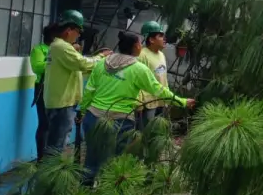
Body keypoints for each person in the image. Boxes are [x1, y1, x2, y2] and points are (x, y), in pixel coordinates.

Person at [79, 31, 193, 180]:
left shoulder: (102, 63)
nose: (141, 45)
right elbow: (159, 90)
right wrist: (182, 101)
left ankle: (85, 192)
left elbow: (89, 91)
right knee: (116, 161)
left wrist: (82, 112)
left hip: (93, 117)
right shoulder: (138, 69)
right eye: (140, 43)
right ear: (135, 47)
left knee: (92, 159)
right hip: (119, 121)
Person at [43, 10, 103, 154]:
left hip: (63, 102)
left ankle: (51, 173)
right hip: (61, 104)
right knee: (56, 148)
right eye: (78, 31)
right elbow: (82, 63)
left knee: (58, 144)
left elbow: (78, 68)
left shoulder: (60, 47)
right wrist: (101, 58)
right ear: (69, 30)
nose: (79, 35)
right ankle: (49, 175)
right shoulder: (61, 47)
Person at [28, 22, 60, 162]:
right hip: (43, 88)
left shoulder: (62, 50)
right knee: (45, 123)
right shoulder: (39, 49)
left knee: (57, 124)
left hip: (59, 88)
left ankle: (53, 157)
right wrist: (55, 61)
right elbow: (37, 67)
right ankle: (41, 157)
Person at [136, 21, 170, 130]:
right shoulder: (141, 55)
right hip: (148, 103)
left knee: (157, 130)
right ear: (151, 39)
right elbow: (137, 80)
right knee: (145, 130)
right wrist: (139, 103)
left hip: (161, 100)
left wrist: (168, 97)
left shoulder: (162, 55)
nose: (164, 39)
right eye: (160, 36)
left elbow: (163, 78)